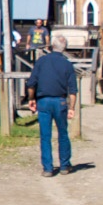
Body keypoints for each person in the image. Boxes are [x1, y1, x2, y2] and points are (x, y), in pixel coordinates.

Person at [29, 34, 78, 177]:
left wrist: (32, 99)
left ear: (50, 46)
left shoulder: (41, 61)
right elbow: (73, 90)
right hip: (60, 101)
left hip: (43, 100)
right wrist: (72, 108)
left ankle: (48, 168)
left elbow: (32, 83)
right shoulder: (67, 64)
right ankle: (64, 165)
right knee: (63, 133)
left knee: (45, 135)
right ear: (64, 48)